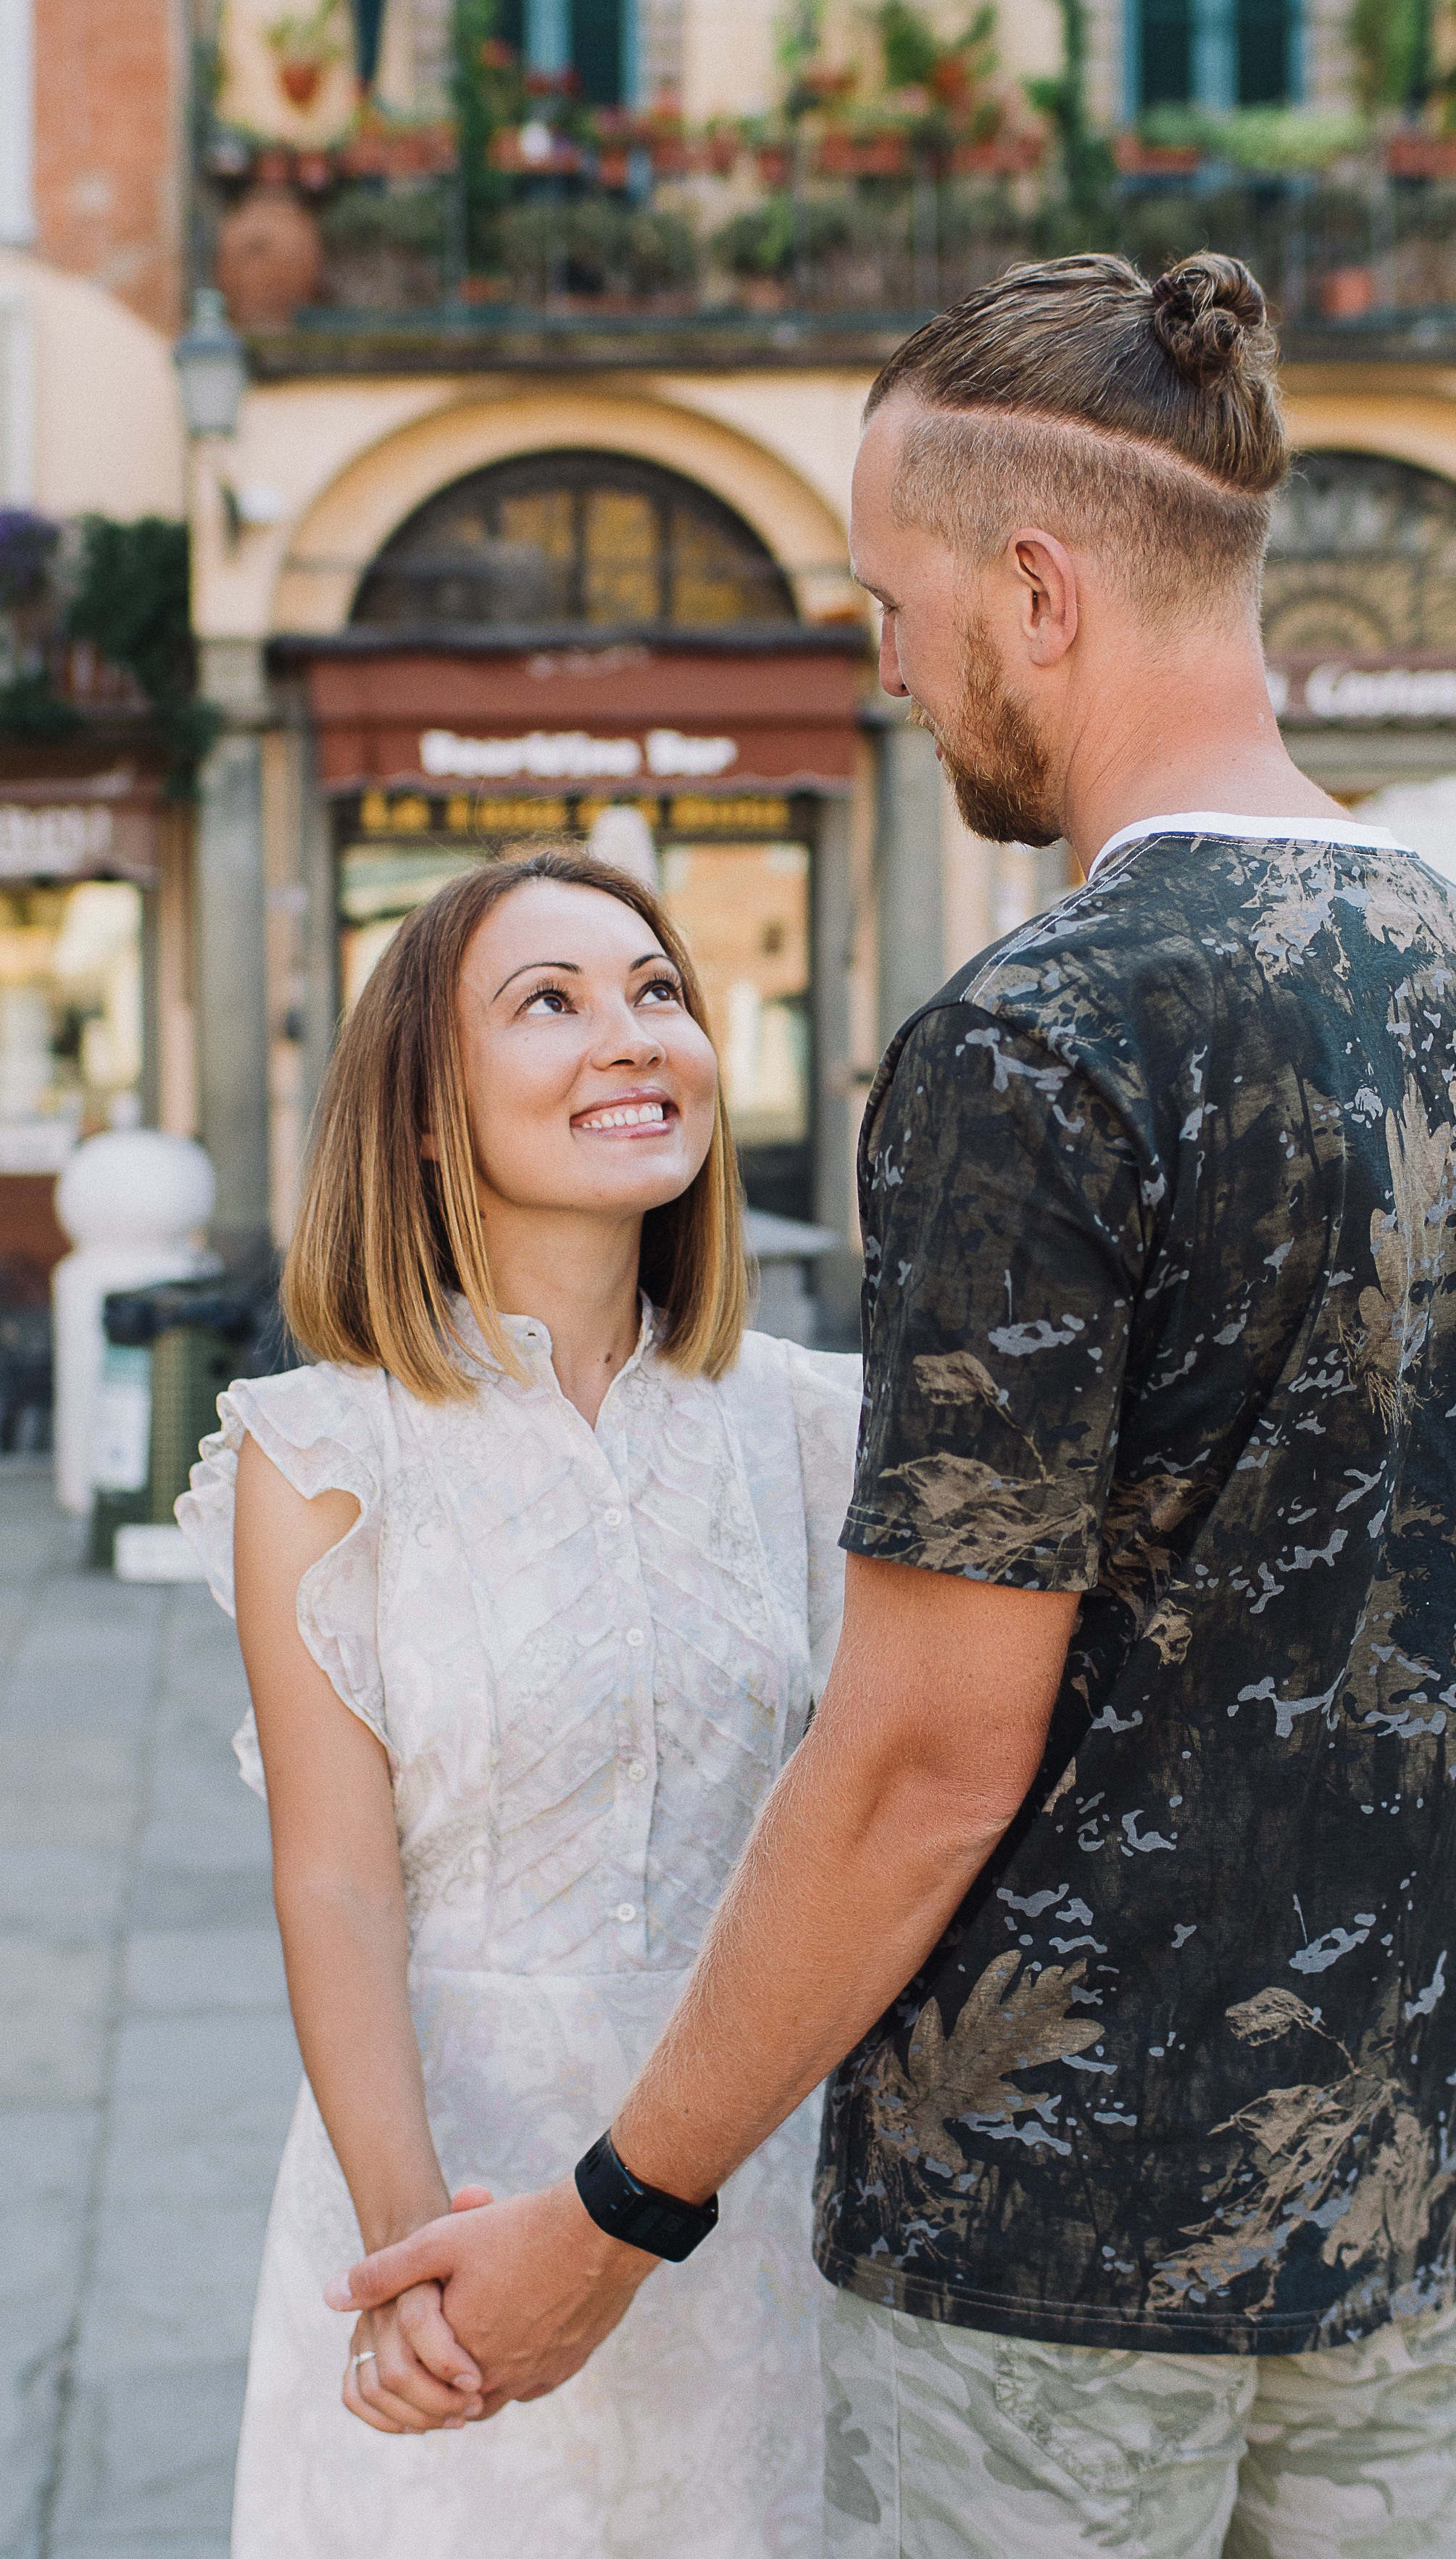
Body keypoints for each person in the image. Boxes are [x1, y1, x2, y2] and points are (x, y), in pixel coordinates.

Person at [341, 254, 1456, 2558]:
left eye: (895, 607)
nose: (890, 666)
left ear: (1037, 592)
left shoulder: (1041, 1042)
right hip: (1408, 2223)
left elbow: (927, 1760)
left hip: (1054, 2268)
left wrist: (614, 2216)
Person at [177, 849, 860, 2558]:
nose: (631, 1036)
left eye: (656, 992)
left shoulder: (814, 1427)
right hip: (443, 2158)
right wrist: (411, 2250)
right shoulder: (319, 1452)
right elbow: (336, 1882)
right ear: (424, 1110)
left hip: (758, 2175)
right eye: (549, 1002)